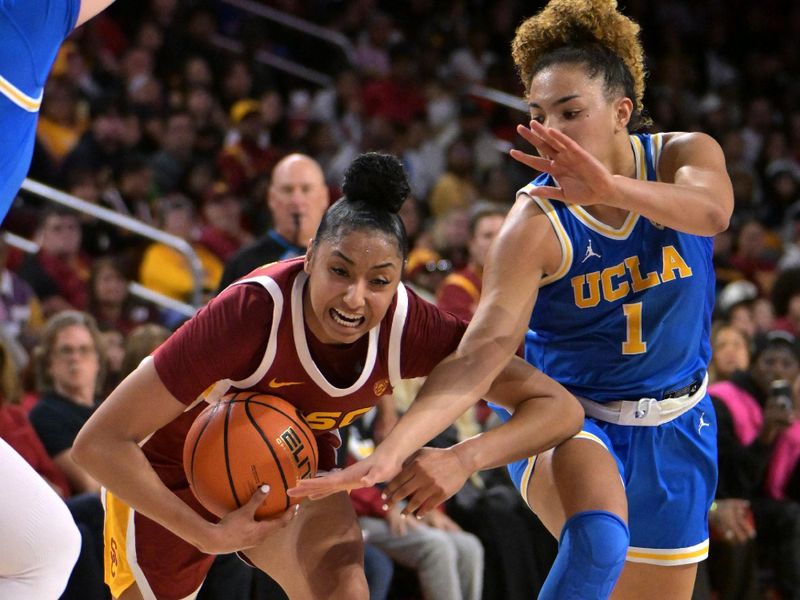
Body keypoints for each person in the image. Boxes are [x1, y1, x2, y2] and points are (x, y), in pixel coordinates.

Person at [290, 2, 734, 599]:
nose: (550, 130)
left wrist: (609, 188)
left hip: (681, 423)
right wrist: (396, 451)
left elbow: (713, 213)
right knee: (599, 541)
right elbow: (481, 355)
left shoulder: (685, 155)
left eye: (570, 112)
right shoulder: (533, 222)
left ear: (622, 111)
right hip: (573, 421)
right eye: (537, 114)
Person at [72, 152, 581, 600]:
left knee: (344, 589)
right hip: (173, 467)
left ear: (399, 277)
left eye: (379, 280)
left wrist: (462, 458)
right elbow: (98, 443)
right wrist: (204, 534)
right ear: (310, 255)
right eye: (339, 271)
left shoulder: (410, 324)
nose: (356, 297)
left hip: (294, 466)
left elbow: (559, 408)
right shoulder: (251, 312)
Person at [217, 153, 330, 290]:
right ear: (271, 198)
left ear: (324, 197)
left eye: (306, 189)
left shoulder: (341, 260)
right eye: (287, 190)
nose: (297, 201)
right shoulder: (242, 265)